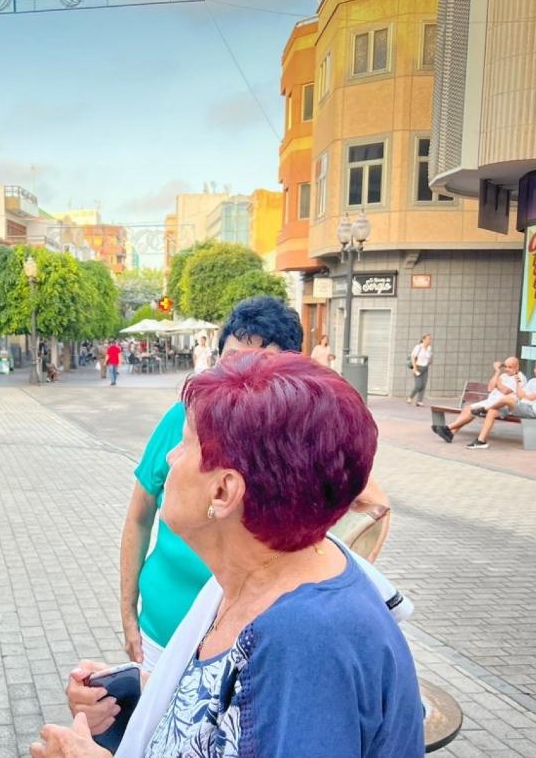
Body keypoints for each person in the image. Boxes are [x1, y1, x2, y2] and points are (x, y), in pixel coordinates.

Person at [35, 352, 424, 758]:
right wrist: (135, 692)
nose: (170, 458)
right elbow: (226, 713)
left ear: (223, 492)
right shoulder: (257, 579)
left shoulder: (302, 645)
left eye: (184, 445)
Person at [120, 297, 391, 672]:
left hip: (245, 639)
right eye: (231, 363)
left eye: (259, 368)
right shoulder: (186, 419)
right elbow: (138, 516)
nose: (238, 383)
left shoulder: (292, 444)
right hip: (163, 626)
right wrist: (128, 609)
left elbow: (373, 505)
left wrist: (332, 577)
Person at [453, 358, 536, 450]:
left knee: (507, 399)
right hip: (520, 406)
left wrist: (520, 391)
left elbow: (530, 397)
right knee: (493, 411)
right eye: (535, 368)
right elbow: (520, 395)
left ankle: (484, 409)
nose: (535, 371)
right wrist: (518, 384)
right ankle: (481, 441)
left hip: (531, 410)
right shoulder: (533, 381)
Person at [431, 356, 526, 445]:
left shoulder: (519, 378)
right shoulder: (503, 376)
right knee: (468, 408)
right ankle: (450, 433)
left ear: (517, 367)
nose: (507, 369)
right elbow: (490, 387)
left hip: (503, 406)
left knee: (476, 411)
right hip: (490, 401)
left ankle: (448, 428)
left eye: (510, 367)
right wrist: (497, 372)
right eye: (505, 367)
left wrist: (498, 383)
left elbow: (505, 391)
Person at [406, 334, 432, 406]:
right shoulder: (418, 347)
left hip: (425, 368)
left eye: (430, 339)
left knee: (423, 385)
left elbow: (430, 357)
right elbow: (413, 357)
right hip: (418, 367)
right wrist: (414, 368)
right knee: (418, 385)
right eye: (428, 339)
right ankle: (410, 397)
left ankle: (419, 401)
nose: (430, 340)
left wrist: (429, 362)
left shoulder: (429, 348)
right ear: (423, 339)